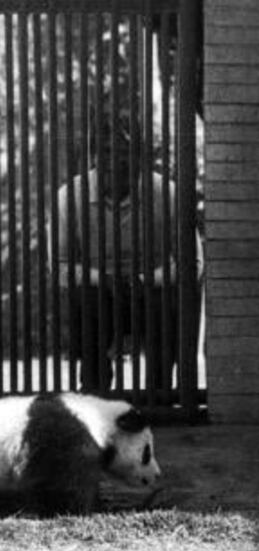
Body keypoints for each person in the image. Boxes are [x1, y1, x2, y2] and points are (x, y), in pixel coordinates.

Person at [53, 118, 202, 395]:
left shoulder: (167, 193)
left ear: (140, 156)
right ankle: (94, 394)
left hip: (151, 290)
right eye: (107, 151)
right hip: (100, 292)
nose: (116, 160)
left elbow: (192, 262)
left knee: (165, 304)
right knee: (87, 300)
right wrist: (105, 279)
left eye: (125, 151)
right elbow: (60, 266)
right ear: (94, 156)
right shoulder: (70, 196)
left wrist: (144, 280)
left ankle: (158, 397)